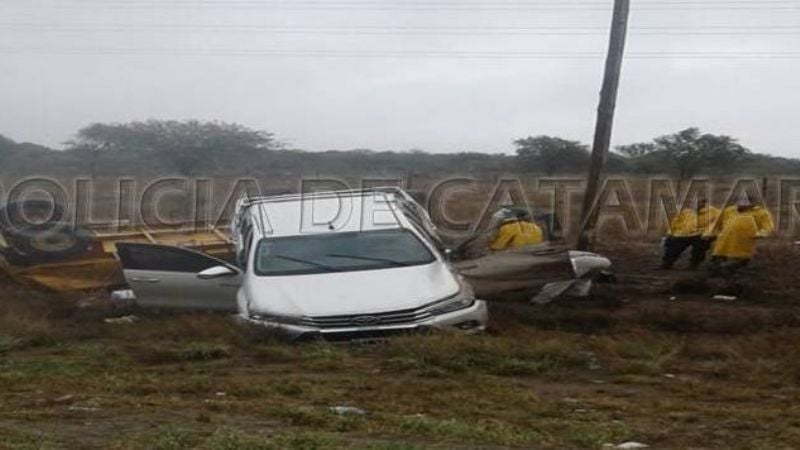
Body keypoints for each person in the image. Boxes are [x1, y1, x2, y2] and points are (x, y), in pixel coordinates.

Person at [708, 198, 774, 275]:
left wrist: (762, 233)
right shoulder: (729, 210)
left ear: (752, 204)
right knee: (717, 262)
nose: (740, 205)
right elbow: (716, 223)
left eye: (744, 203)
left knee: (737, 263)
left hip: (743, 242)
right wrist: (709, 232)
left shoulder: (761, 213)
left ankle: (734, 275)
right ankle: (717, 273)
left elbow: (768, 227)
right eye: (739, 203)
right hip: (724, 241)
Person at [661, 198, 720, 270]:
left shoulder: (714, 212)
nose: (696, 203)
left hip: (701, 234)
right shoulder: (686, 211)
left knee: (701, 244)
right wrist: (670, 233)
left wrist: (707, 234)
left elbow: (715, 224)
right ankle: (667, 263)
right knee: (674, 243)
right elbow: (675, 223)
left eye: (699, 202)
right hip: (683, 234)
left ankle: (694, 263)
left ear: (704, 202)